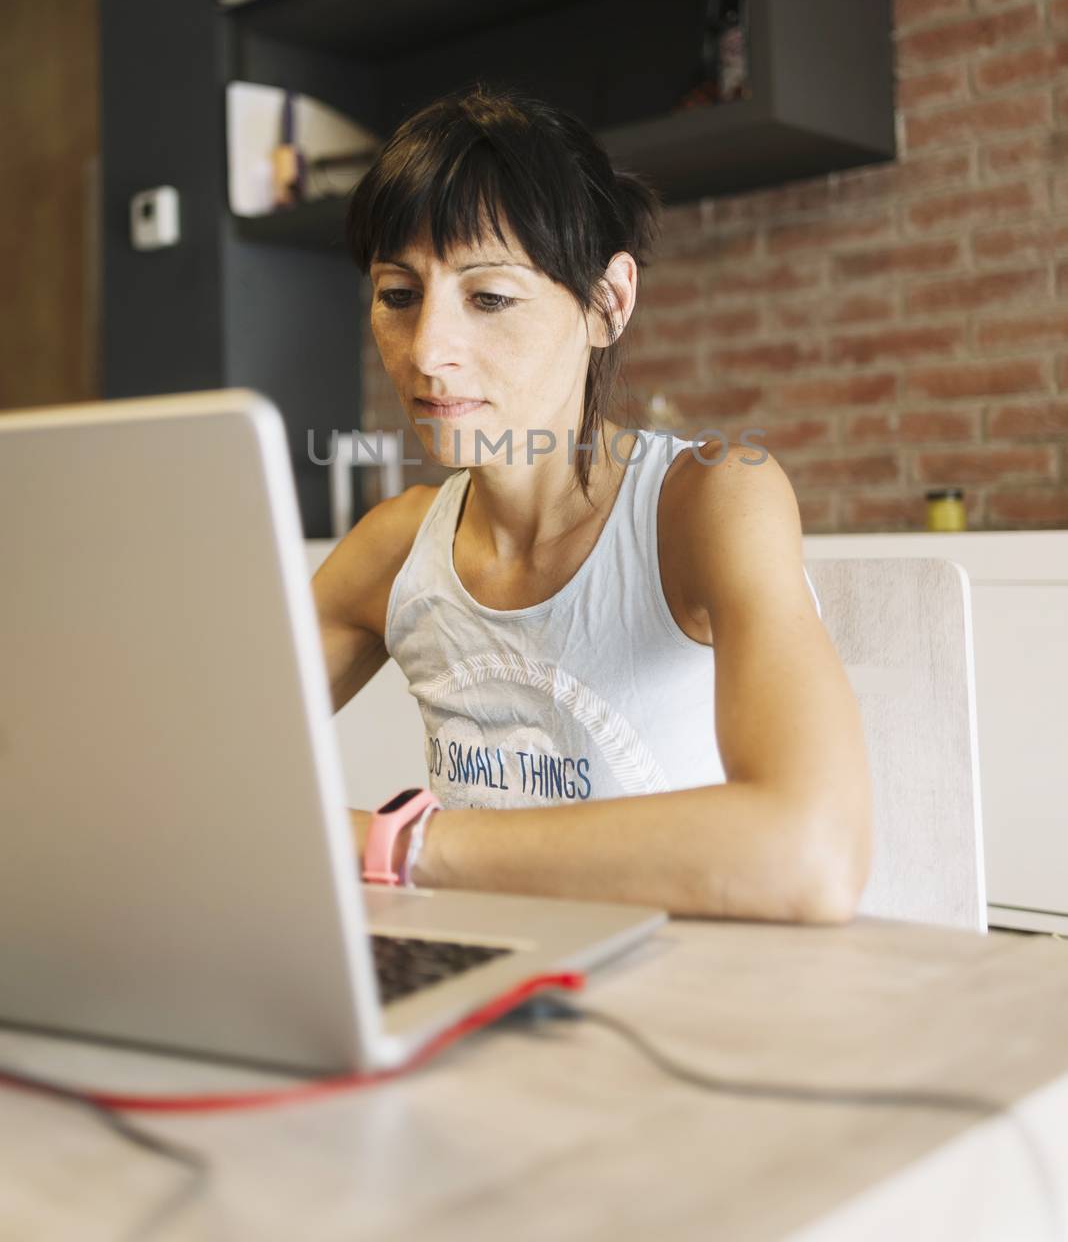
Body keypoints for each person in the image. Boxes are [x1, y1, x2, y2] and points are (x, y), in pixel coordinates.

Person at [313, 83, 872, 923]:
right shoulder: (396, 549)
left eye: (490, 298)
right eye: (399, 295)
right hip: (482, 975)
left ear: (608, 302)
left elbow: (813, 853)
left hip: (693, 991)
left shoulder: (714, 499)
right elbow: (186, 757)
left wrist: (402, 846)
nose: (428, 351)